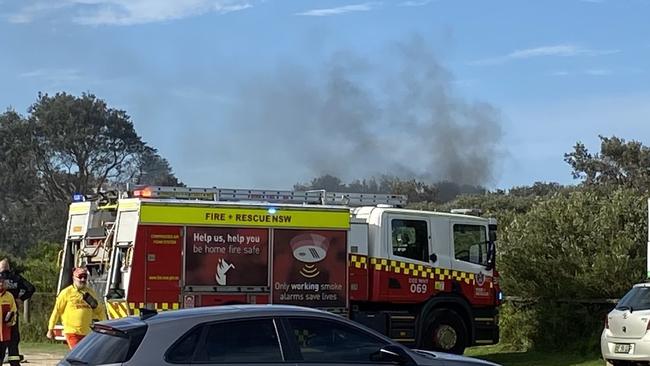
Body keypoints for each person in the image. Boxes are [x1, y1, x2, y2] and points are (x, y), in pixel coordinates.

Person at [46, 267, 106, 349]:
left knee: (85, 356)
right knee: (77, 355)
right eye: (80, 277)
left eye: (85, 277)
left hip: (87, 332)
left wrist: (105, 326)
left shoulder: (90, 293)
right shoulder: (66, 292)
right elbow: (57, 311)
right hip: (72, 331)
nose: (83, 279)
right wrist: (50, 329)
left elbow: (99, 310)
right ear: (74, 278)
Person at [0, 259, 34, 365]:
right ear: (9, 267)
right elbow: (31, 288)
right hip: (11, 312)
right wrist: (21, 298)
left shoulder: (7, 281)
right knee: (13, 339)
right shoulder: (16, 278)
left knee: (9, 339)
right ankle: (14, 362)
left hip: (9, 309)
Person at [0, 272, 18, 366]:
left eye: (2, 282)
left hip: (4, 333)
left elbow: (13, 311)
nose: (1, 284)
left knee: (1, 356)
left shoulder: (9, 296)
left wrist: (11, 322)